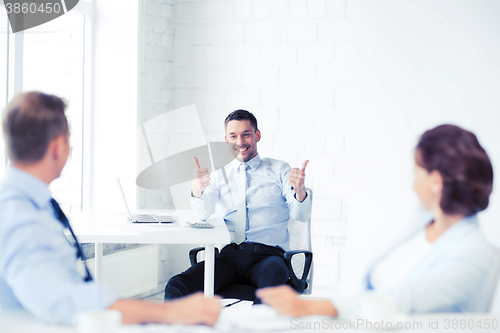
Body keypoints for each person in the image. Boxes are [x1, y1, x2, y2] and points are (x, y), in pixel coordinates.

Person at [0, 91, 221, 326]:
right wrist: (168, 313)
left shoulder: (31, 203)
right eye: (69, 139)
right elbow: (59, 301)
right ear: (57, 147)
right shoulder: (18, 214)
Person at [257, 124, 500, 317]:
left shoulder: (475, 254)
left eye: (417, 173)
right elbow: (363, 280)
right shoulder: (417, 223)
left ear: (436, 182)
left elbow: (400, 300)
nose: (413, 183)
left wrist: (312, 308)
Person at [164, 109, 312, 300]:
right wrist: (197, 190)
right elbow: (202, 213)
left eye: (246, 134)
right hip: (229, 257)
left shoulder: (279, 169)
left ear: (257, 135)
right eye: (233, 136)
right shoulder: (219, 173)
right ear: (226, 140)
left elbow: (301, 215)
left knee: (272, 285)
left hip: (268, 257)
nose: (240, 142)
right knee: (177, 285)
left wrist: (300, 192)